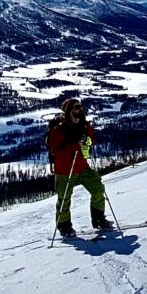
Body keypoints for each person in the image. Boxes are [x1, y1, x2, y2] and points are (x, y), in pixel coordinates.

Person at [48, 97, 112, 237]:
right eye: (76, 107)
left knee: (98, 188)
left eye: (80, 107)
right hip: (65, 170)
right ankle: (64, 227)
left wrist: (86, 141)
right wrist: (75, 146)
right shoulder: (59, 129)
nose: (79, 109)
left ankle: (98, 219)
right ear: (69, 110)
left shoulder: (83, 125)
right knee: (64, 199)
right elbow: (55, 150)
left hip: (82, 166)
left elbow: (92, 139)